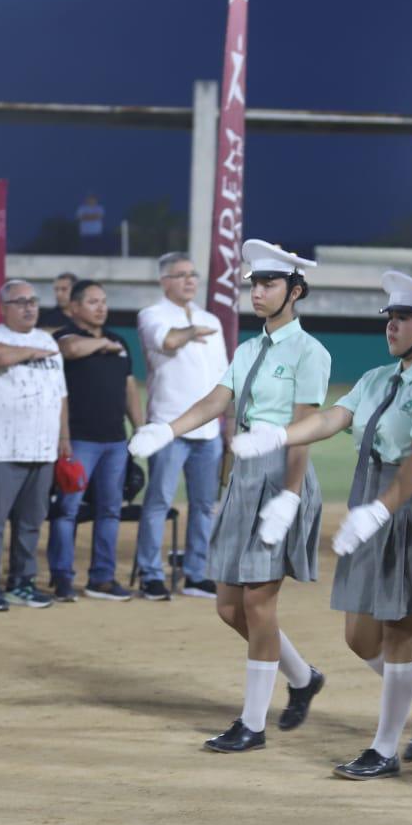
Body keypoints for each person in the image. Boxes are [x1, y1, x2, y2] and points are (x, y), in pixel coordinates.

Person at [234, 272, 412, 780]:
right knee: (360, 637)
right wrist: (278, 436)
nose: (393, 326)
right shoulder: (379, 378)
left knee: (400, 630)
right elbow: (331, 419)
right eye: (390, 318)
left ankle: (384, 750)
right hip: (375, 497)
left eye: (404, 318)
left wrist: (380, 510)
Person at [130, 240, 329, 753]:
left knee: (260, 605)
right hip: (243, 477)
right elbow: (216, 401)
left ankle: (253, 724)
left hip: (281, 474)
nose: (258, 292)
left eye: (269, 285)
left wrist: (288, 498)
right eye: (255, 284)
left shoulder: (312, 352)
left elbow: (304, 429)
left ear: (296, 290)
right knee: (227, 606)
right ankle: (303, 676)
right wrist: (166, 430)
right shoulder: (247, 349)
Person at [0, 280, 68, 612]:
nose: (29, 307)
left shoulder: (46, 339)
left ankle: (22, 582)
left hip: (43, 448)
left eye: (33, 301)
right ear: (3, 307)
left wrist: (63, 438)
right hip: (3, 447)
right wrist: (29, 352)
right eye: (20, 301)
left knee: (31, 522)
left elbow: (61, 395)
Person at [135, 253, 229, 599]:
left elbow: (225, 378)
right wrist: (192, 331)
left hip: (209, 430)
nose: (190, 281)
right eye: (181, 275)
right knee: (158, 502)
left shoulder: (210, 320)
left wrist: (229, 423)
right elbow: (168, 341)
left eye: (193, 275)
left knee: (205, 505)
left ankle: (195, 572)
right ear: (164, 281)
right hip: (169, 427)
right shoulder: (152, 315)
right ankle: (150, 573)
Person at [49, 280, 143, 601]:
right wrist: (101, 346)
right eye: (92, 301)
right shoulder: (61, 337)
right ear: (74, 308)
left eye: (103, 301)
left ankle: (101, 578)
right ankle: (62, 577)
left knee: (110, 511)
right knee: (67, 510)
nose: (101, 307)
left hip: (115, 441)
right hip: (77, 441)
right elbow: (72, 349)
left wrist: (140, 428)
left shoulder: (119, 341)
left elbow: (130, 388)